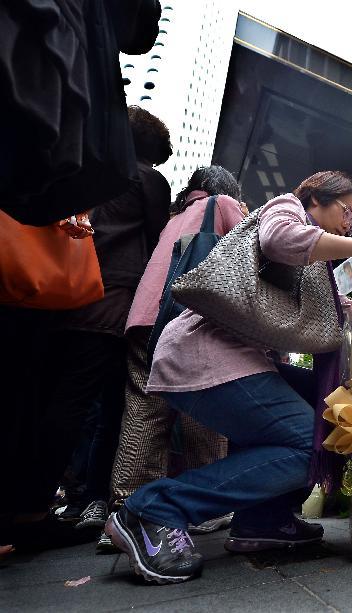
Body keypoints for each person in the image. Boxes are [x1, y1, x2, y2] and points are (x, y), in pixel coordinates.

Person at [105, 171, 352, 584]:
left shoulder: (317, 271)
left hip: (239, 360)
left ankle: (263, 520)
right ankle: (153, 510)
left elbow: (347, 313)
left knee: (333, 415)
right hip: (205, 355)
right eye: (345, 212)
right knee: (309, 446)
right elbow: (278, 240)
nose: (348, 224)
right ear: (313, 200)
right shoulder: (285, 209)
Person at [2, 106, 171, 550]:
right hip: (108, 303)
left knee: (45, 399)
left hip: (60, 296)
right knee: (82, 405)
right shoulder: (146, 179)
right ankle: (33, 511)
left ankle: (26, 504)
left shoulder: (88, 171)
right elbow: (159, 244)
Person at [92, 166, 245, 552]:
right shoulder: (222, 204)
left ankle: (127, 511)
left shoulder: (174, 219)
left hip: (145, 320)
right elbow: (250, 250)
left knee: (144, 412)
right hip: (187, 321)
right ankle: (207, 506)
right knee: (204, 410)